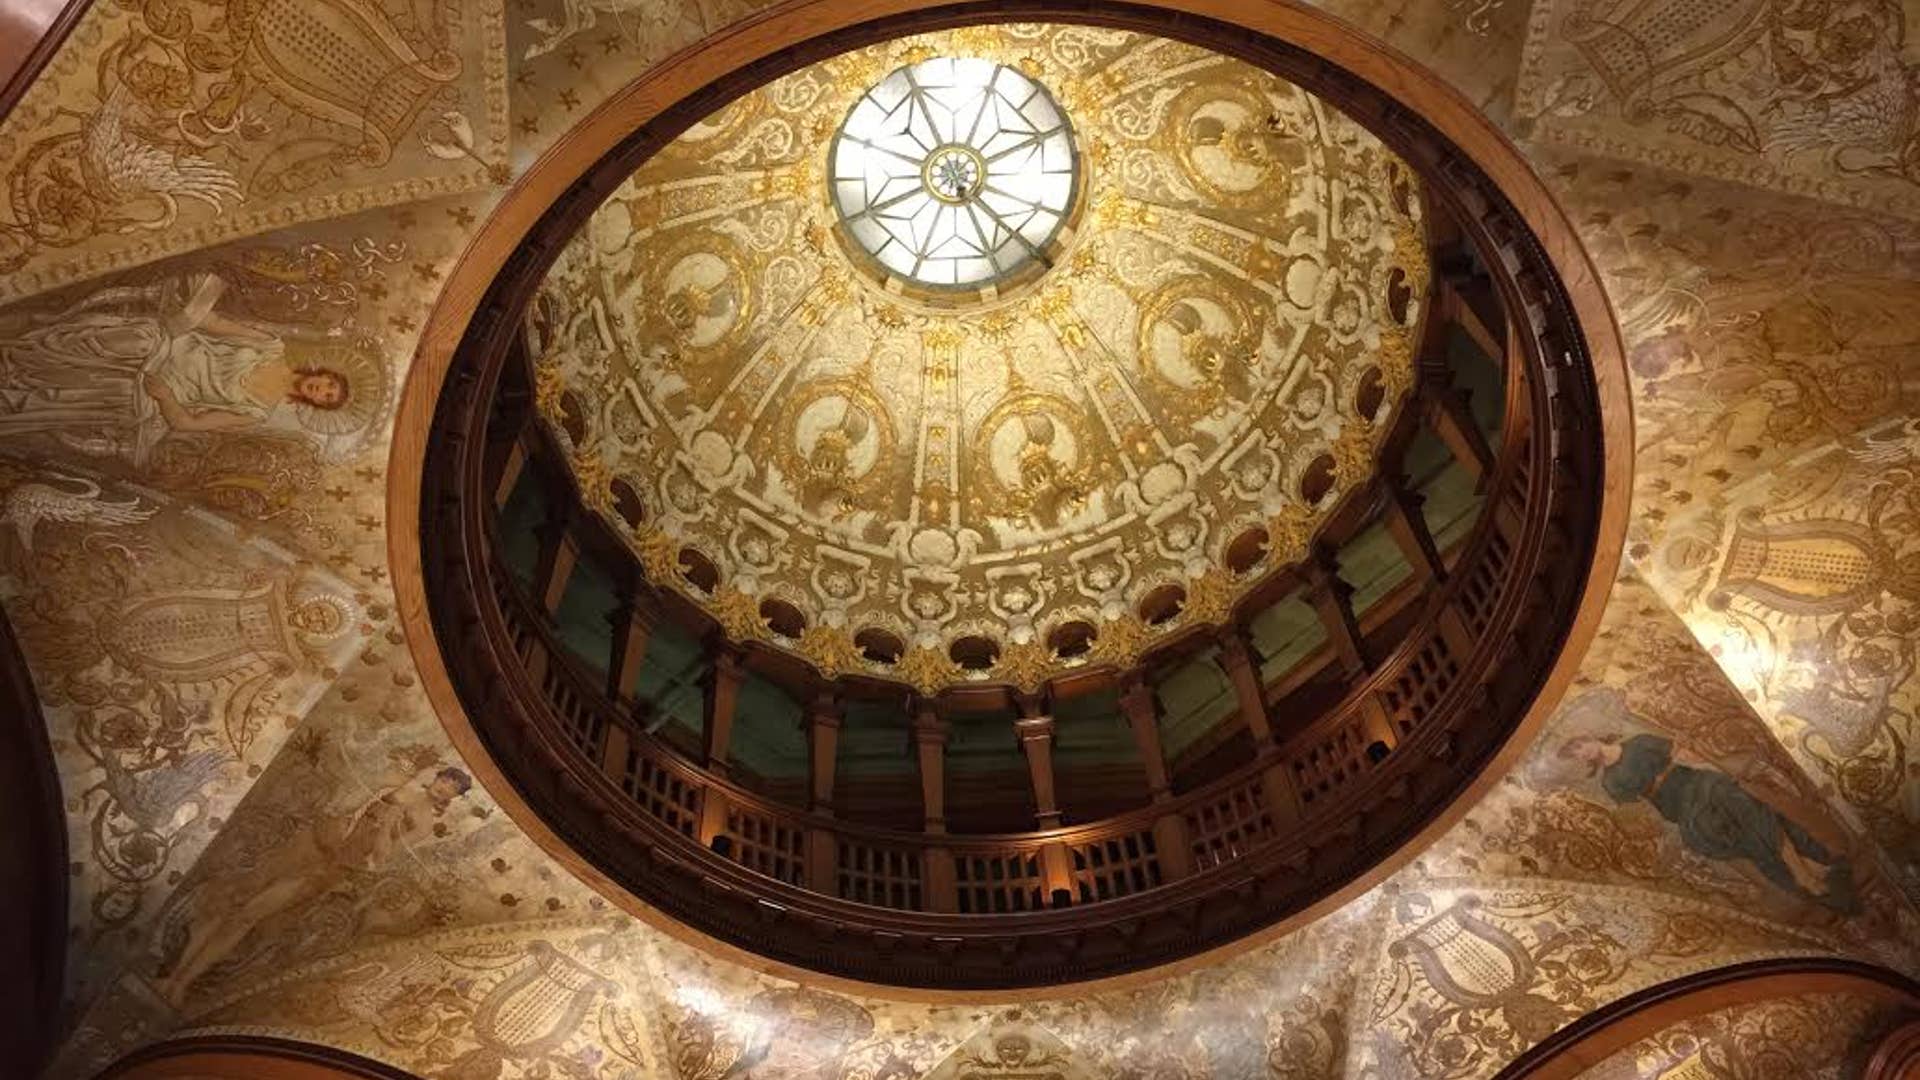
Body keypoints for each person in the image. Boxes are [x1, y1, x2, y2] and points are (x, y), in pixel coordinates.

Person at [153, 765, 472, 1000]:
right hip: (312, 844)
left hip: (333, 866)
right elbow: (348, 804)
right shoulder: (397, 782)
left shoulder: (426, 823)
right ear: (436, 776)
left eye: (452, 788)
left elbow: (382, 858)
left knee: (251, 915)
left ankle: (183, 981)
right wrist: (390, 793)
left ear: (455, 797)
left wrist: (388, 826)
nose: (444, 787)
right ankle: (174, 973)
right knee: (235, 901)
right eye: (445, 779)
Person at [0, 273, 352, 464]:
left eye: (325, 398)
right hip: (164, 346)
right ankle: (17, 355)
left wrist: (165, 396)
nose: (320, 391)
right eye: (327, 385)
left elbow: (187, 422)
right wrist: (188, 315)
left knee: (122, 393)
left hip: (158, 386)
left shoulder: (256, 413)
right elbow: (216, 326)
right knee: (138, 339)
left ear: (315, 405)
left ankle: (14, 395)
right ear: (322, 374)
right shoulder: (272, 346)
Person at [1558, 732, 1858, 912]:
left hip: (1698, 783)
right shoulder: (1611, 783)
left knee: (1750, 812)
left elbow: (1685, 754)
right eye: (1578, 754)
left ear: (1590, 738)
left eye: (1580, 745)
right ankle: (1808, 868)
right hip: (1679, 810)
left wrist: (1719, 766)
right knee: (1710, 839)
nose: (1583, 751)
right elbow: (1643, 814)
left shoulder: (1638, 742)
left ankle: (1803, 874)